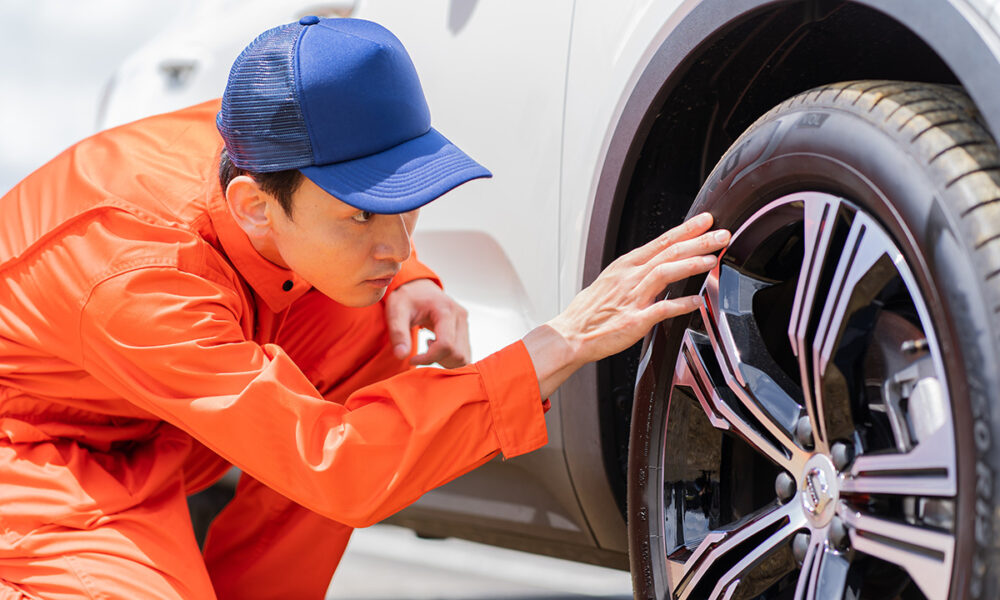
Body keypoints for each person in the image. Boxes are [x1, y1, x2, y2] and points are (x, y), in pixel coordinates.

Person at [0, 16, 729, 600]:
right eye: (362, 218)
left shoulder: (262, 145)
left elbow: (347, 212)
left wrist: (409, 274)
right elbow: (334, 465)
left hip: (149, 417)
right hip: (33, 456)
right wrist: (558, 343)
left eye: (406, 204)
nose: (394, 240)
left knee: (372, 319)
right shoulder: (139, 272)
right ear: (252, 206)